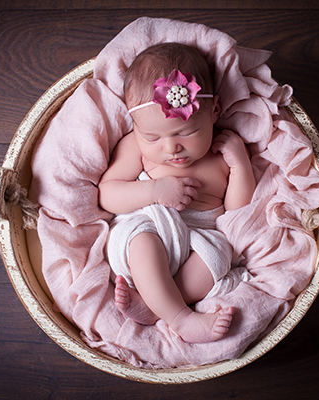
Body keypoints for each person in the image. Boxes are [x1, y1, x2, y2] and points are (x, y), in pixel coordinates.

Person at [98, 43, 256, 343]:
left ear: (215, 111)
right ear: (136, 127)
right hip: (147, 225)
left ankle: (154, 304)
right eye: (152, 137)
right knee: (143, 241)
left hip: (200, 235)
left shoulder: (223, 155)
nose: (171, 148)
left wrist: (241, 167)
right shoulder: (134, 148)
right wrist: (154, 190)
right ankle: (181, 318)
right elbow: (107, 194)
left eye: (185, 132)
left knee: (220, 252)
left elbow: (238, 214)